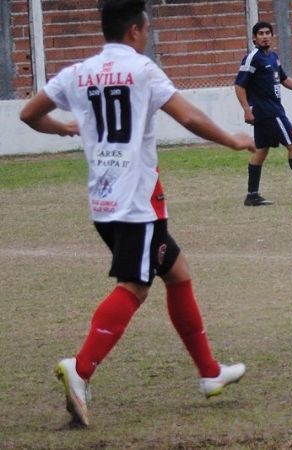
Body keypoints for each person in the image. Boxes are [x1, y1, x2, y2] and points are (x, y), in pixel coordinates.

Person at [19, 0, 250, 427]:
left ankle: (209, 373)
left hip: (104, 202)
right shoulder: (143, 70)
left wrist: (68, 127)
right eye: (147, 28)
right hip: (137, 204)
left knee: (177, 272)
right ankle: (81, 369)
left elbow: (29, 114)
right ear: (134, 31)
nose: (148, 35)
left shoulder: (77, 73)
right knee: (136, 286)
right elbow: (189, 117)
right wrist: (232, 141)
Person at [234, 21, 292, 206]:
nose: (265, 36)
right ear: (254, 38)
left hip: (270, 111)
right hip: (268, 112)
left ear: (272, 36)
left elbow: (284, 79)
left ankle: (252, 195)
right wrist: (247, 110)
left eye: (268, 32)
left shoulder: (273, 57)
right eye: (260, 33)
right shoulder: (253, 58)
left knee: (261, 151)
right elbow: (239, 85)